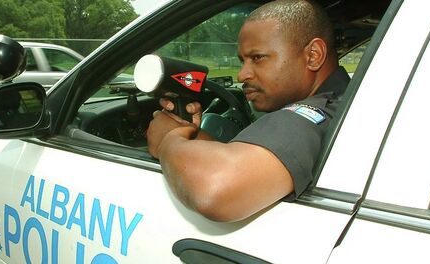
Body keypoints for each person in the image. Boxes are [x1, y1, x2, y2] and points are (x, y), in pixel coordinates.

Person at [146, 0, 351, 222]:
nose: (241, 75)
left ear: (313, 55)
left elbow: (215, 190)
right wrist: (191, 135)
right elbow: (250, 163)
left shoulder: (311, 115)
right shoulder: (344, 100)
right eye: (243, 61)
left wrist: (167, 141)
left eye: (257, 58)